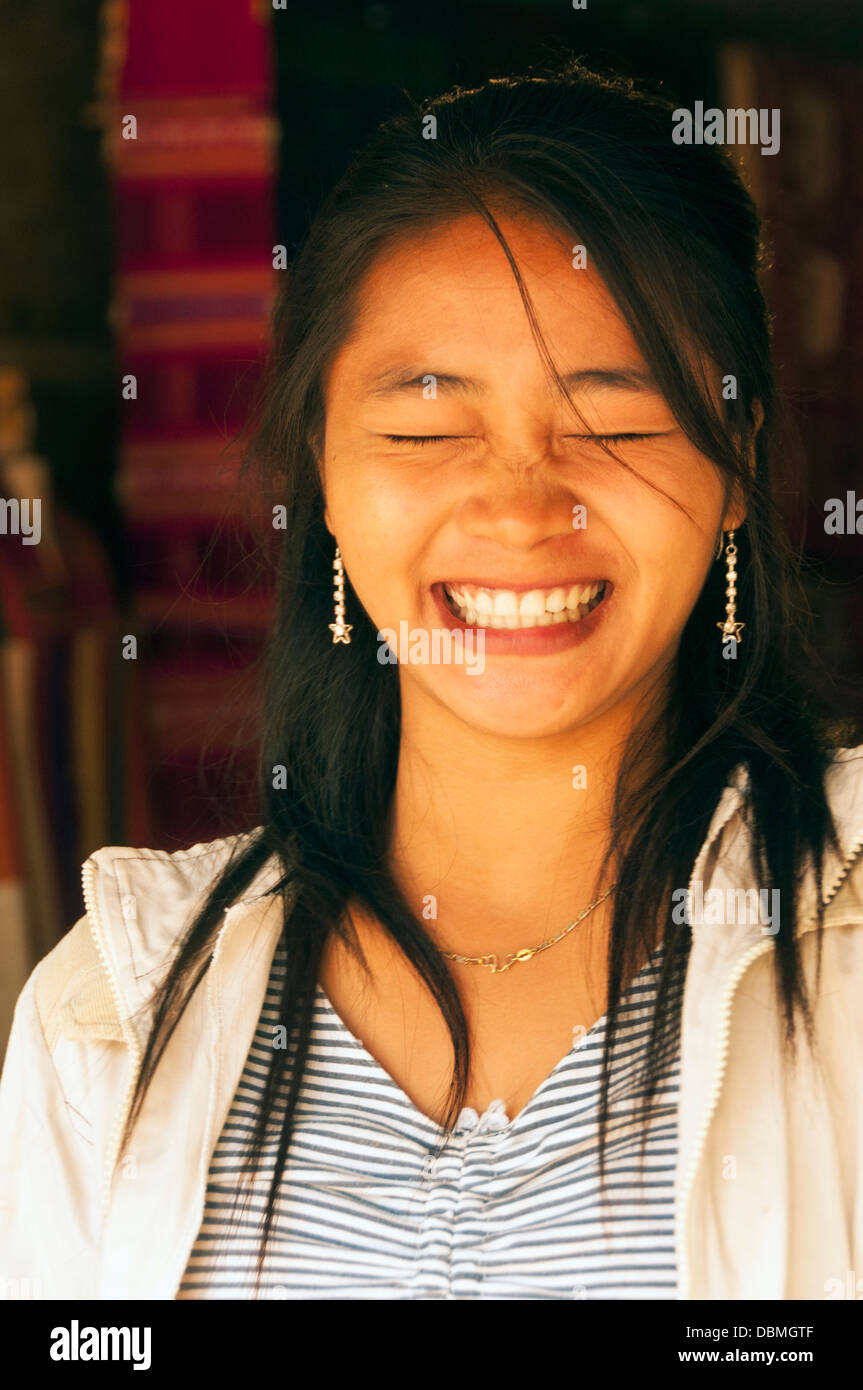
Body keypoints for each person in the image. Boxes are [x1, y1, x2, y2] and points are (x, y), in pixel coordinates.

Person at [1, 60, 862, 1303]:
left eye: (613, 424)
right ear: (324, 476)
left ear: (735, 463)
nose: (520, 508)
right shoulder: (113, 1013)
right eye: (423, 429)